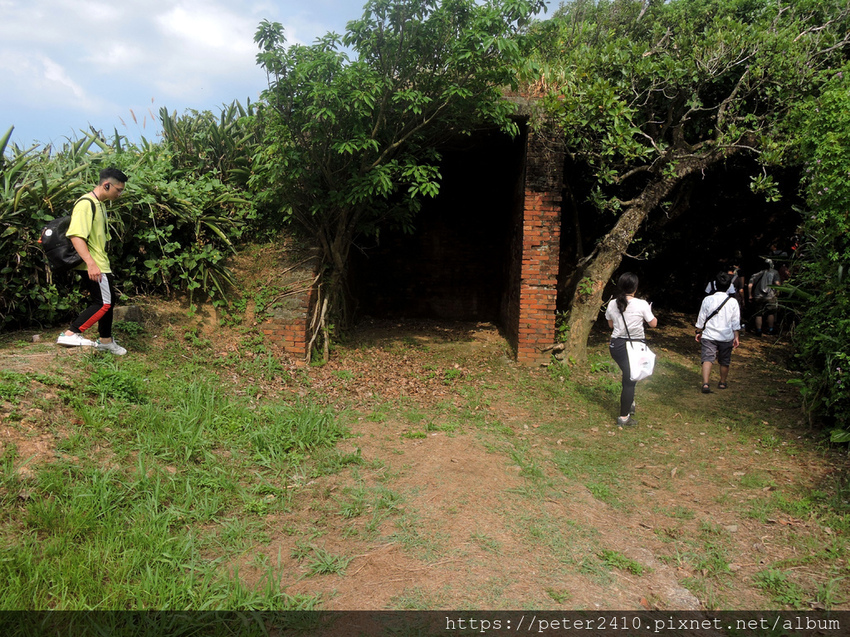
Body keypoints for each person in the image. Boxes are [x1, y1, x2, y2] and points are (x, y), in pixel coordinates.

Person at [56, 167, 129, 355]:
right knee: (103, 303)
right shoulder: (86, 204)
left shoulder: (99, 204)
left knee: (108, 301)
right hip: (94, 263)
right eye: (118, 189)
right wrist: (90, 263)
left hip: (100, 262)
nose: (120, 194)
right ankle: (71, 333)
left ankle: (105, 340)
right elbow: (76, 236)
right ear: (106, 185)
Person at [605, 272, 657, 427]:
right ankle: (623, 417)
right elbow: (653, 324)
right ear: (635, 287)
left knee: (629, 376)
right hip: (635, 347)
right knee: (630, 380)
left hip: (617, 346)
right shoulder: (641, 304)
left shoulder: (612, 303)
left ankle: (629, 403)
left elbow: (610, 325)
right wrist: (649, 311)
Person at [696, 272, 741, 393]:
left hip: (709, 335)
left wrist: (698, 330)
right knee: (725, 360)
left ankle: (705, 383)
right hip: (726, 336)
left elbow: (702, 317)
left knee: (707, 359)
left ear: (715, 285)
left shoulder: (708, 299)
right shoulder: (733, 302)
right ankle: (722, 382)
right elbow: (735, 322)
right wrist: (736, 336)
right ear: (729, 287)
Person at [748, 257, 781, 336]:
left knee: (758, 314)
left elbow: (750, 285)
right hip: (770, 296)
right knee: (771, 313)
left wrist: (750, 295)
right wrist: (777, 292)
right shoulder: (775, 273)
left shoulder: (757, 273)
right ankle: (770, 329)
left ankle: (758, 330)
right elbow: (777, 284)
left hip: (758, 296)